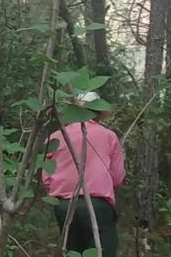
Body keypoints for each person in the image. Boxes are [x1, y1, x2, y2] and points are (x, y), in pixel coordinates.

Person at [41, 91, 125, 257]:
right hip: (97, 205)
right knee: (103, 251)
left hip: (64, 206)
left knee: (72, 251)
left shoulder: (55, 138)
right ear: (98, 112)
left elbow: (47, 177)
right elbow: (117, 177)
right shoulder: (109, 136)